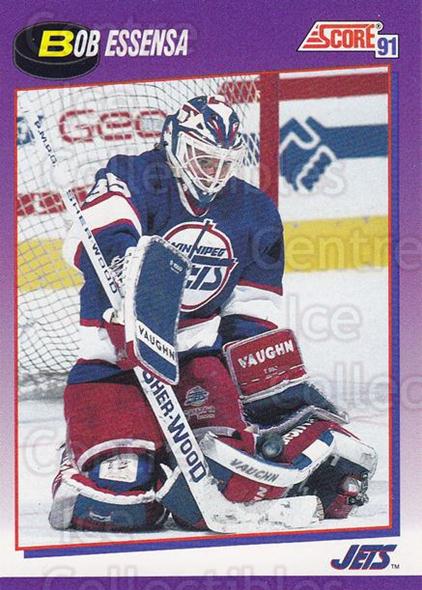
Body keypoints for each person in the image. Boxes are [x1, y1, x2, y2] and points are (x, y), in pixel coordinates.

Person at [49, 95, 376, 532]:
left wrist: (266, 389)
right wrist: (126, 267)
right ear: (175, 144)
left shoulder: (254, 210)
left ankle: (168, 458)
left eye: (224, 163)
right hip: (115, 367)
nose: (214, 173)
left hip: (195, 364)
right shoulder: (135, 174)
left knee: (230, 480)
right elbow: (90, 236)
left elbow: (252, 308)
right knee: (124, 506)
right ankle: (81, 461)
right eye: (204, 159)